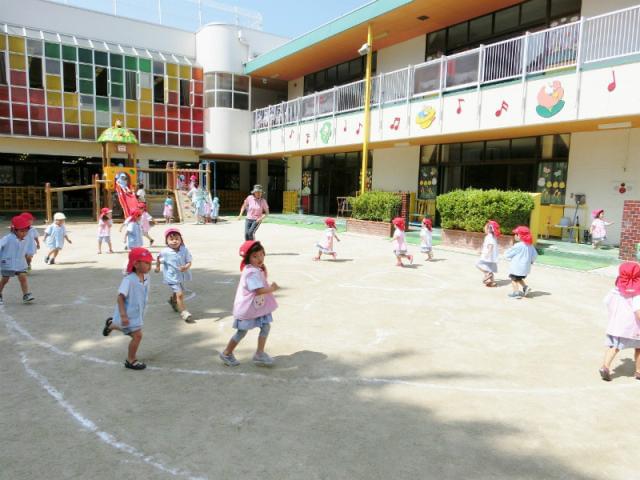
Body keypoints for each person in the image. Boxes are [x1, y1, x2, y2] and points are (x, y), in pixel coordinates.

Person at [219, 240, 279, 367]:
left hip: (257, 307)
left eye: (261, 254)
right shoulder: (251, 273)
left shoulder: (255, 268)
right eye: (255, 256)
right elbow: (258, 290)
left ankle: (259, 353)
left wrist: (263, 270)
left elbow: (262, 280)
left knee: (266, 326)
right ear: (248, 258)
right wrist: (272, 288)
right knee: (241, 332)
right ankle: (227, 353)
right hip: (248, 308)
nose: (260, 258)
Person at [102, 247, 153, 371]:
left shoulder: (146, 277)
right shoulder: (129, 280)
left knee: (131, 332)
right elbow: (120, 298)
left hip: (138, 312)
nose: (149, 265)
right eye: (146, 263)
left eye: (150, 262)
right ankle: (131, 360)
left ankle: (111, 325)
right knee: (137, 336)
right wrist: (123, 315)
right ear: (136, 264)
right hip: (128, 314)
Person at [599, 262, 640, 381]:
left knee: (614, 346)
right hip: (633, 327)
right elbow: (638, 311)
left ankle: (605, 366)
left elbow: (607, 302)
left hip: (616, 325)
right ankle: (638, 371)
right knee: (639, 348)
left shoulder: (615, 289)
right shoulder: (637, 293)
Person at [155, 228, 194, 323]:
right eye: (171, 239)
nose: (174, 241)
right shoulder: (165, 252)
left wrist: (186, 266)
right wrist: (158, 267)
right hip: (171, 276)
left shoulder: (184, 250)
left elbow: (189, 261)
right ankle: (184, 312)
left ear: (181, 240)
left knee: (177, 292)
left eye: (177, 239)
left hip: (181, 275)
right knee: (180, 294)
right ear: (166, 241)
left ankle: (173, 301)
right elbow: (158, 258)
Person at [0, 214, 35, 304]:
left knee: (23, 277)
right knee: (5, 279)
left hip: (20, 262)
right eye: (21, 231)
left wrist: (28, 254)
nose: (24, 233)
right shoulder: (7, 238)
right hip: (8, 262)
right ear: (14, 230)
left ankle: (26, 295)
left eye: (26, 231)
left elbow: (28, 248)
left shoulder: (26, 239)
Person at [504, 226, 537, 299]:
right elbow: (535, 255)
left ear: (521, 236)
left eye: (516, 234)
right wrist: (531, 261)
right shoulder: (530, 245)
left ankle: (516, 293)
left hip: (517, 267)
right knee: (519, 278)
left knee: (513, 279)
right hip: (525, 268)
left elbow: (508, 254)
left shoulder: (518, 245)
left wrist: (506, 255)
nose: (515, 236)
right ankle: (525, 287)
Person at [476, 220, 500, 287]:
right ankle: (492, 282)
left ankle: (487, 274)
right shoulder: (493, 236)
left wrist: (487, 254)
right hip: (490, 256)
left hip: (488, 256)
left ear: (489, 229)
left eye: (485, 228)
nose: (484, 229)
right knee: (490, 268)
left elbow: (490, 246)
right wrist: (482, 251)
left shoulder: (489, 237)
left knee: (478, 264)